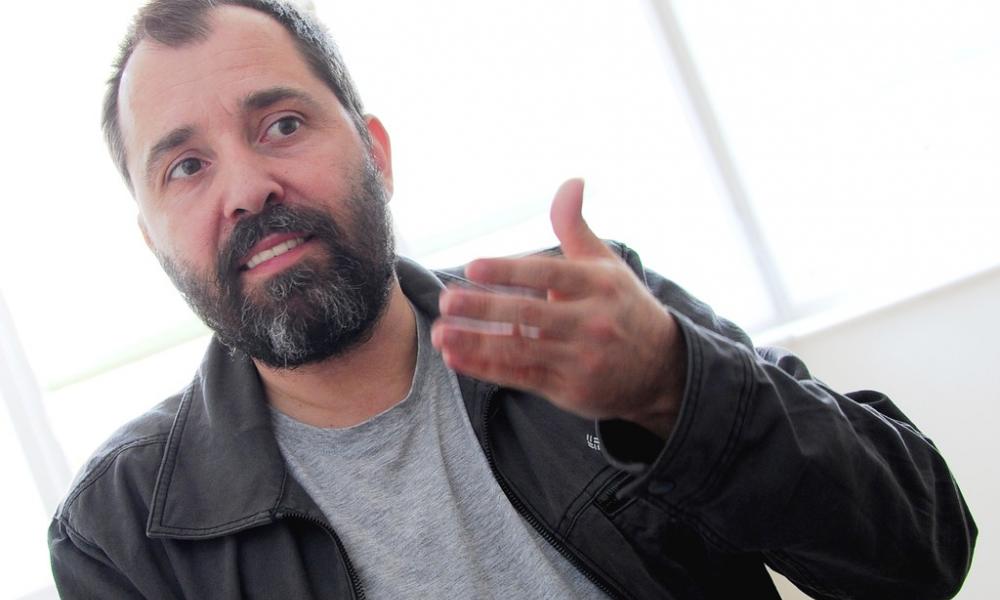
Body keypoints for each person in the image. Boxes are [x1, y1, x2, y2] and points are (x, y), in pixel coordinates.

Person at [48, 0, 976, 598]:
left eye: (282, 123)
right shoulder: (119, 535)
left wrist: (674, 385)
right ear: (154, 242)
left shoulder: (597, 318)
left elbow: (920, 552)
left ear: (376, 152)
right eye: (186, 166)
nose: (248, 188)